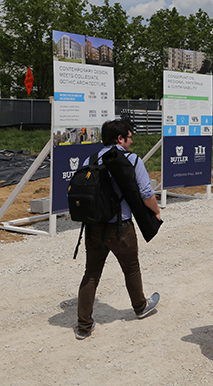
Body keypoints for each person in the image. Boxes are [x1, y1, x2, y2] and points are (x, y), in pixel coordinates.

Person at [76, 120, 162, 340]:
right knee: (131, 268)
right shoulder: (132, 160)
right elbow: (146, 193)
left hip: (94, 227)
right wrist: (156, 211)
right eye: (129, 137)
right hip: (120, 227)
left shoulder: (90, 159)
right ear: (120, 139)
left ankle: (84, 325)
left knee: (91, 273)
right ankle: (140, 306)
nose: (131, 141)